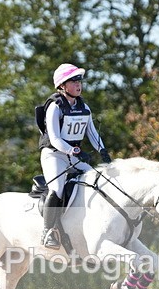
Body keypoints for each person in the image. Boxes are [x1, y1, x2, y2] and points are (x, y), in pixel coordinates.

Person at [37, 63, 111, 249]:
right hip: (54, 155)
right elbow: (54, 138)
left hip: (73, 156)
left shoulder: (83, 106)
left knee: (97, 180)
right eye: (73, 81)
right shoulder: (55, 106)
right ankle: (47, 232)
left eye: (79, 80)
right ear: (62, 85)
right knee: (58, 188)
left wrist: (103, 150)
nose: (79, 84)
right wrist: (73, 151)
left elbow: (92, 133)